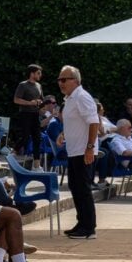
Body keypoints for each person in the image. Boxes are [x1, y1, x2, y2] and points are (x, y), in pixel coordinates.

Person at [57, 65, 100, 239]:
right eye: (59, 80)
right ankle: (82, 223)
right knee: (75, 187)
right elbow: (75, 122)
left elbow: (94, 122)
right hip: (74, 150)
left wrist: (90, 148)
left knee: (83, 189)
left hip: (83, 151)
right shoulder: (70, 99)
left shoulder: (82, 97)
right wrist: (63, 134)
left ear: (75, 80)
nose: (61, 83)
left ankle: (89, 228)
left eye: (64, 79)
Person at [13, 64, 44, 170]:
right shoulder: (23, 85)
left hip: (35, 114)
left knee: (37, 139)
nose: (40, 75)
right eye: (38, 73)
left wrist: (41, 103)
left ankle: (36, 166)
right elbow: (16, 100)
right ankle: (13, 152)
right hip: (25, 114)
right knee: (25, 138)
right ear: (32, 73)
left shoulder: (39, 86)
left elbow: (41, 100)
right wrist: (30, 103)